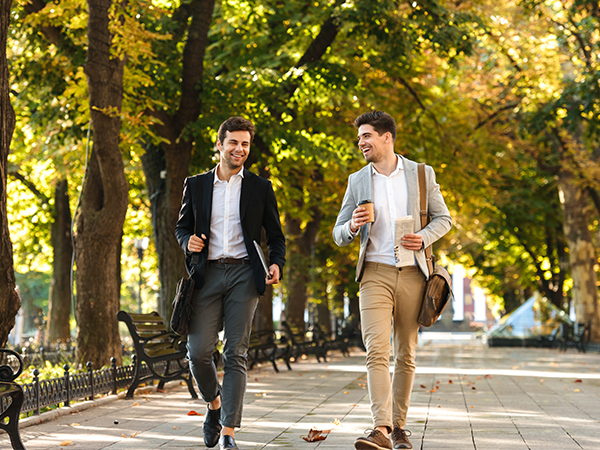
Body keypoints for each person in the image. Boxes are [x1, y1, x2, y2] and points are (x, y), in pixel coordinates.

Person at [333, 111, 451, 450]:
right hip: (374, 273)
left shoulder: (421, 174)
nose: (361, 143)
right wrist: (353, 225)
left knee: (406, 352)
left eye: (367, 136)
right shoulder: (357, 181)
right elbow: (338, 233)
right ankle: (381, 428)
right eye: (359, 138)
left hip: (414, 273)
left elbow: (445, 219)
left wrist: (423, 236)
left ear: (388, 137)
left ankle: (399, 428)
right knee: (376, 351)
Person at [175, 116, 286, 450]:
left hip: (243, 276)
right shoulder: (195, 185)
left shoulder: (260, 187)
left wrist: (277, 263)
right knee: (198, 352)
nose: (240, 149)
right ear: (219, 144)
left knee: (236, 353)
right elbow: (182, 228)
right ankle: (214, 404)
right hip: (206, 275)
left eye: (245, 144)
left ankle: (228, 432)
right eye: (234, 142)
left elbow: (276, 236)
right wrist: (188, 242)